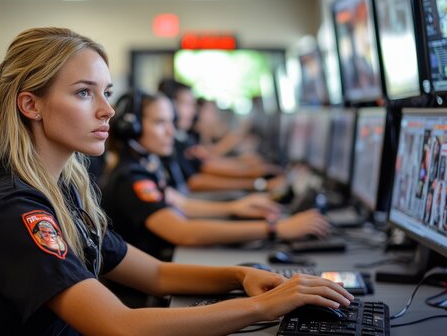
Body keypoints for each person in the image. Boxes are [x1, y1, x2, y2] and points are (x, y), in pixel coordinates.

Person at [0, 27, 352, 336]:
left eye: (106, 92)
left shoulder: (62, 192)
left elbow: (157, 276)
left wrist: (244, 275)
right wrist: (262, 306)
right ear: (31, 104)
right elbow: (119, 326)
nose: (107, 110)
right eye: (85, 93)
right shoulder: (15, 209)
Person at [103, 90, 331, 260]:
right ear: (131, 128)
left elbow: (180, 203)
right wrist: (275, 228)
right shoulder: (131, 177)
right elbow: (183, 232)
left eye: (171, 122)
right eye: (160, 123)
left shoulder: (143, 164)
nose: (171, 131)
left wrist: (235, 207)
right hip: (144, 295)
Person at [157, 79, 285, 193]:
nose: (193, 112)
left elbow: (207, 162)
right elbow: (199, 176)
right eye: (187, 104)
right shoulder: (177, 141)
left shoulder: (182, 139)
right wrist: (258, 182)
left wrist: (256, 173)